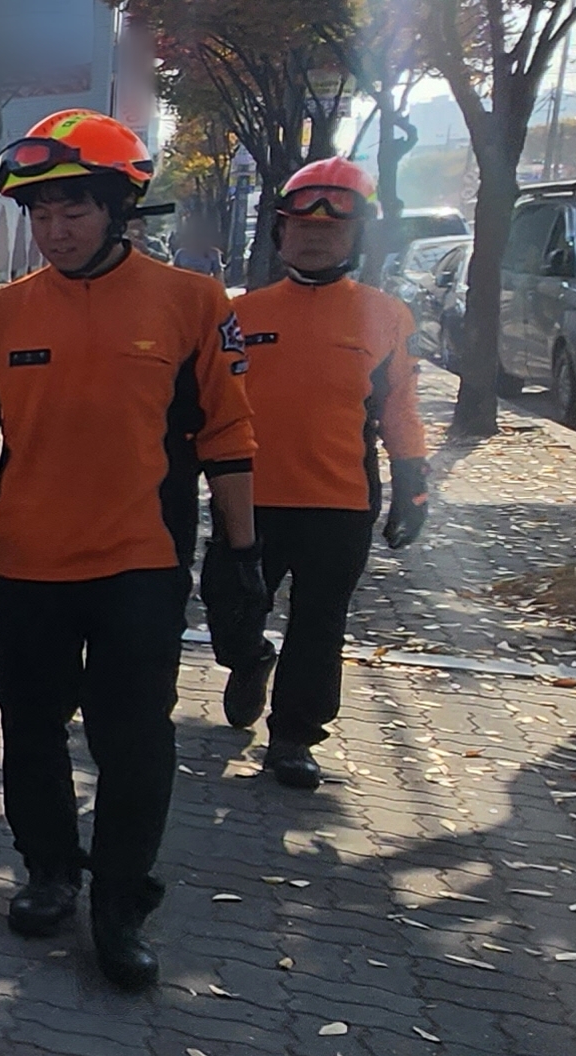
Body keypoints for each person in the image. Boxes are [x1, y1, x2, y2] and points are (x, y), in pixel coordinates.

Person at [0, 110, 262, 991]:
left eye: (72, 209)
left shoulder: (191, 304)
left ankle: (118, 903)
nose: (54, 229)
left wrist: (240, 551)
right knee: (30, 733)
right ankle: (48, 871)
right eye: (40, 213)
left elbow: (226, 435)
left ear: (117, 208)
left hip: (138, 565)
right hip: (24, 563)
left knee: (132, 740)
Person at [210, 158, 429, 789]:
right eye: (302, 226)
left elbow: (400, 408)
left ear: (357, 238)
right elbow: (209, 404)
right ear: (280, 233)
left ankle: (293, 736)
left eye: (331, 230)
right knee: (229, 607)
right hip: (248, 497)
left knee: (320, 623)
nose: (314, 237)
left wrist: (412, 484)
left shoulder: (387, 316)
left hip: (340, 500)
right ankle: (249, 659)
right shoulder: (240, 314)